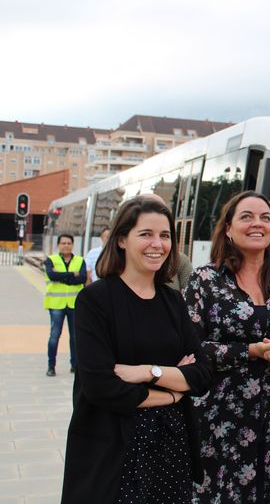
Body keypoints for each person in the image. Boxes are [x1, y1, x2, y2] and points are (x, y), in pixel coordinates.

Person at [61, 197, 212, 504]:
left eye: (165, 235)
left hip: (170, 449)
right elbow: (100, 386)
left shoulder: (172, 302)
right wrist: (172, 391)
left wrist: (147, 372)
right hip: (113, 448)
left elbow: (202, 374)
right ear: (121, 240)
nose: (157, 244)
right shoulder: (95, 300)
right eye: (146, 234)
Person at [184, 191, 270, 503]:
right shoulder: (205, 281)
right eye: (247, 217)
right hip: (221, 420)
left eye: (265, 218)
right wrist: (248, 352)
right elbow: (190, 350)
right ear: (228, 228)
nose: (257, 224)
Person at [44, 234, 86, 376]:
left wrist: (62, 276)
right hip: (56, 304)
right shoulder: (51, 260)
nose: (66, 245)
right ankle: (51, 366)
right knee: (54, 335)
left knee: (75, 336)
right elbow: (51, 276)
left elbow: (82, 278)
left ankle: (75, 365)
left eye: (69, 243)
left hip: (75, 304)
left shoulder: (80, 260)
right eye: (63, 243)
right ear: (58, 245)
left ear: (73, 245)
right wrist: (71, 275)